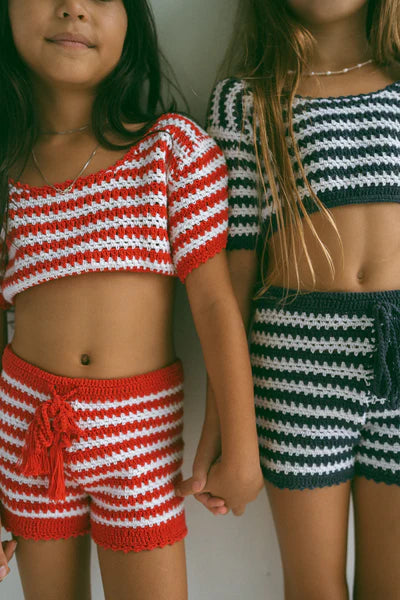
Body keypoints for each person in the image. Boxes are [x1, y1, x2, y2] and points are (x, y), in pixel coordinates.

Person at [0, 1, 262, 599]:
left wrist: (241, 448)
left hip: (140, 436)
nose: (72, 8)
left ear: (134, 23)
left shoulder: (172, 151)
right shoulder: (6, 166)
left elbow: (216, 304)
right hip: (29, 437)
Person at [204, 0, 400, 598]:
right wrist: (224, 434)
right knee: (313, 587)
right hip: (295, 363)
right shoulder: (245, 99)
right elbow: (230, 276)